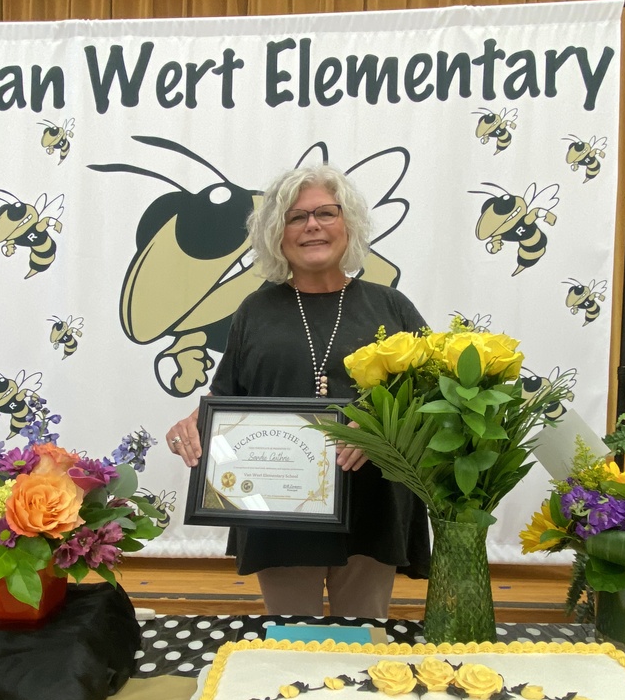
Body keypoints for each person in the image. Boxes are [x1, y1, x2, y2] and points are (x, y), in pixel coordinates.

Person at [167, 165, 430, 617]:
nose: (312, 226)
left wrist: (375, 428)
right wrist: (196, 423)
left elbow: (430, 399)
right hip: (278, 510)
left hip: (372, 504)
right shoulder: (254, 309)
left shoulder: (390, 305)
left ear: (348, 224)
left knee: (361, 647)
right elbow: (227, 398)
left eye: (326, 213)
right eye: (295, 217)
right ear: (276, 233)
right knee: (287, 650)